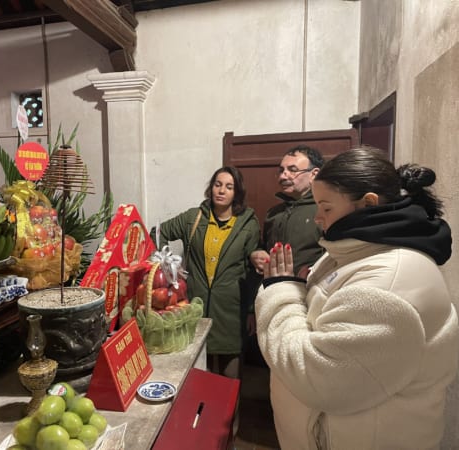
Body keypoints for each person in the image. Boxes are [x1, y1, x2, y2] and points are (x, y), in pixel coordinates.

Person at [255, 146, 459, 449]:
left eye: (326, 207)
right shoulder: (351, 251)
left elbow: (318, 376)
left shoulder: (389, 285)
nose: (318, 219)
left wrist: (280, 291)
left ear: (367, 203)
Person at [154, 166, 260, 379]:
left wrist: (251, 310)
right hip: (196, 306)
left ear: (236, 193)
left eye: (229, 187)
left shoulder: (248, 224)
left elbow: (252, 270)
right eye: (217, 184)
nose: (221, 190)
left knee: (230, 380)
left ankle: (230, 414)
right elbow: (158, 232)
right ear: (211, 188)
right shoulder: (194, 217)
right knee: (199, 373)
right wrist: (167, 268)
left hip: (231, 311)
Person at [250, 145, 324, 278]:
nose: (283, 176)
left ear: (314, 174)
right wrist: (257, 255)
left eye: (292, 170)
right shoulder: (273, 213)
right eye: (281, 170)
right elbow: (263, 246)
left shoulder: (325, 210)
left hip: (310, 292)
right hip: (273, 290)